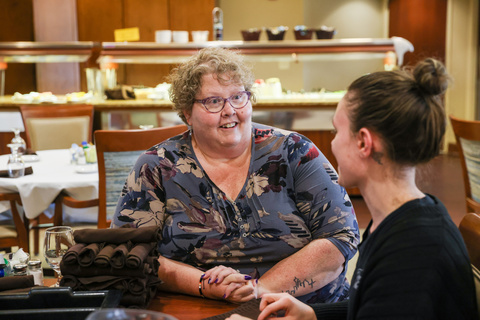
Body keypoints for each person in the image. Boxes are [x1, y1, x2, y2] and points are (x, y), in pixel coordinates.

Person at [226, 58, 479, 319]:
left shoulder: (413, 253)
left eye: (337, 132)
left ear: (363, 143)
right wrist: (313, 314)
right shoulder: (397, 220)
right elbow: (375, 303)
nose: (333, 144)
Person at [112, 47, 360, 304]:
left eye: (238, 97)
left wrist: (259, 289)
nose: (229, 110)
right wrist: (202, 284)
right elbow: (130, 251)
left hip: (308, 308)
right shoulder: (157, 166)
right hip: (199, 306)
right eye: (214, 101)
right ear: (187, 113)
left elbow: (341, 235)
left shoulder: (294, 151)